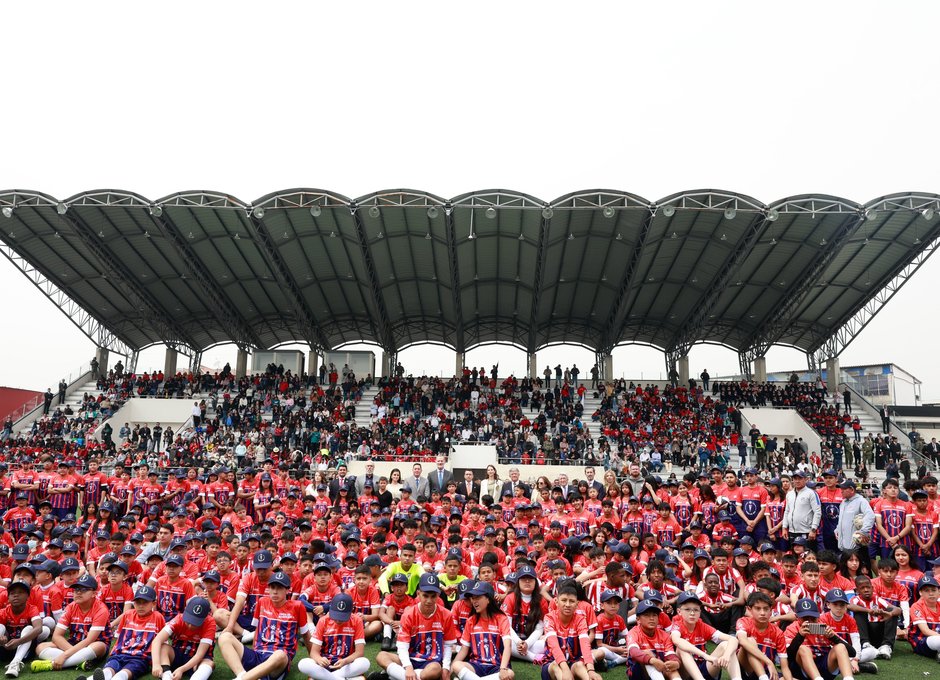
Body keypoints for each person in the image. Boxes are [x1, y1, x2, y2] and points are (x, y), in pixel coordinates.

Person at [218, 571, 311, 680]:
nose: (275, 592)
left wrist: (314, 659)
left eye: (279, 588)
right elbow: (258, 630)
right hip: (258, 655)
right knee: (224, 637)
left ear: (287, 590)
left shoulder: (297, 606)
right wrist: (253, 651)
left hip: (278, 660)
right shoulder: (262, 602)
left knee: (280, 655)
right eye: (272, 587)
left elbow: (306, 635)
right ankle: (242, 675)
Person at [372, 573, 458, 680]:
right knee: (382, 656)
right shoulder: (408, 615)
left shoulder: (446, 615)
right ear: (418, 594)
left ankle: (392, 676)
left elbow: (448, 645)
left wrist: (445, 669)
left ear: (438, 595)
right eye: (425, 596)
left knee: (436, 669)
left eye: (433, 596)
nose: (429, 601)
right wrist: (408, 668)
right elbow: (402, 646)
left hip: (432, 662)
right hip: (410, 658)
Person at [30, 574, 109, 673]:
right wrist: (71, 652)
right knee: (40, 647)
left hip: (93, 645)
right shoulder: (70, 607)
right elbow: (56, 636)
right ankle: (79, 662)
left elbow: (89, 640)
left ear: (94, 593)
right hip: (74, 643)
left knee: (98, 646)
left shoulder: (101, 609)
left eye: (84, 589)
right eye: (76, 589)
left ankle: (52, 665)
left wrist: (64, 655)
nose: (78, 592)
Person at [96, 585, 167, 680]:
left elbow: (162, 642)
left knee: (124, 673)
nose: (141, 606)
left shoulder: (157, 617)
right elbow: (118, 638)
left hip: (141, 657)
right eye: (138, 603)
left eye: (145, 603)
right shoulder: (128, 614)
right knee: (109, 669)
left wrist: (157, 663)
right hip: (121, 653)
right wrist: (112, 654)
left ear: (153, 604)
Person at [450, 581, 513, 680]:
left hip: (497, 666)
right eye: (473, 598)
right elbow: (463, 650)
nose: (474, 601)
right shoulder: (471, 620)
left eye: (478, 597)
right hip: (476, 666)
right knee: (456, 665)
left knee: (509, 673)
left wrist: (503, 668)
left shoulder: (501, 618)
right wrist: (450, 670)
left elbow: (507, 646)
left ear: (488, 599)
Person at [298, 593, 370, 680]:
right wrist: (320, 659)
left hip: (346, 664)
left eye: (342, 617)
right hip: (325, 664)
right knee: (303, 663)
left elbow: (359, 653)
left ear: (351, 611)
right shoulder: (323, 620)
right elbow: (314, 653)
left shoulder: (357, 621)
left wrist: (345, 661)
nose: (338, 620)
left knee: (364, 662)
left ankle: (327, 677)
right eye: (335, 615)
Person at [149, 597, 216, 680]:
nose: (190, 626)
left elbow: (199, 655)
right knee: (163, 647)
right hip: (178, 653)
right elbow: (157, 640)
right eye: (188, 621)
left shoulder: (210, 622)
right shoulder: (179, 618)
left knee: (209, 663)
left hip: (197, 659)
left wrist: (181, 669)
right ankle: (166, 676)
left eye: (195, 622)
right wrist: (156, 664)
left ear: (205, 617)